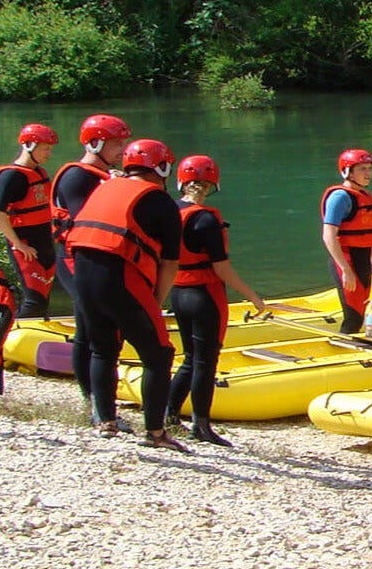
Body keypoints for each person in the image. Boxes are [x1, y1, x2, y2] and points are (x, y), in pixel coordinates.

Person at [67, 138, 185, 450]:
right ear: (162, 167)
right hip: (120, 280)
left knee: (103, 349)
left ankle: (105, 421)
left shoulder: (103, 186)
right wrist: (156, 301)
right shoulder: (161, 202)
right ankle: (156, 433)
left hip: (83, 277)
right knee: (159, 354)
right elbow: (170, 265)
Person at [166, 154, 266, 447]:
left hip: (178, 293)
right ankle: (201, 425)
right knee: (206, 362)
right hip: (204, 296)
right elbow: (221, 268)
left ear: (182, 180)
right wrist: (253, 297)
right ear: (211, 184)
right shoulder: (206, 218)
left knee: (189, 358)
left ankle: (169, 415)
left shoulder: (171, 210)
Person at [50, 113, 131, 418]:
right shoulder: (78, 177)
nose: (122, 149)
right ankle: (95, 401)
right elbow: (88, 220)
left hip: (90, 262)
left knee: (88, 328)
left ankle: (94, 399)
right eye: (116, 143)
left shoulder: (103, 176)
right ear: (96, 143)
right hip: (74, 261)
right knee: (91, 328)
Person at [0, 122, 58, 318]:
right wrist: (17, 244)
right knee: (34, 301)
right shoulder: (11, 176)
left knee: (42, 300)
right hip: (26, 247)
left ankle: (38, 339)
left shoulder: (38, 172)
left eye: (50, 149)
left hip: (44, 244)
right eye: (45, 148)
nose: (49, 153)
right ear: (28, 146)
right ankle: (9, 340)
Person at [321, 148, 372, 334]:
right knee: (353, 315)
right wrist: (345, 269)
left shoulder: (364, 196)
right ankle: (344, 342)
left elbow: (368, 235)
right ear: (347, 171)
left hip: (362, 259)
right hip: (346, 260)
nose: (368, 173)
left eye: (369, 168)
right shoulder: (340, 197)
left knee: (361, 310)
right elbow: (328, 235)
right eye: (362, 169)